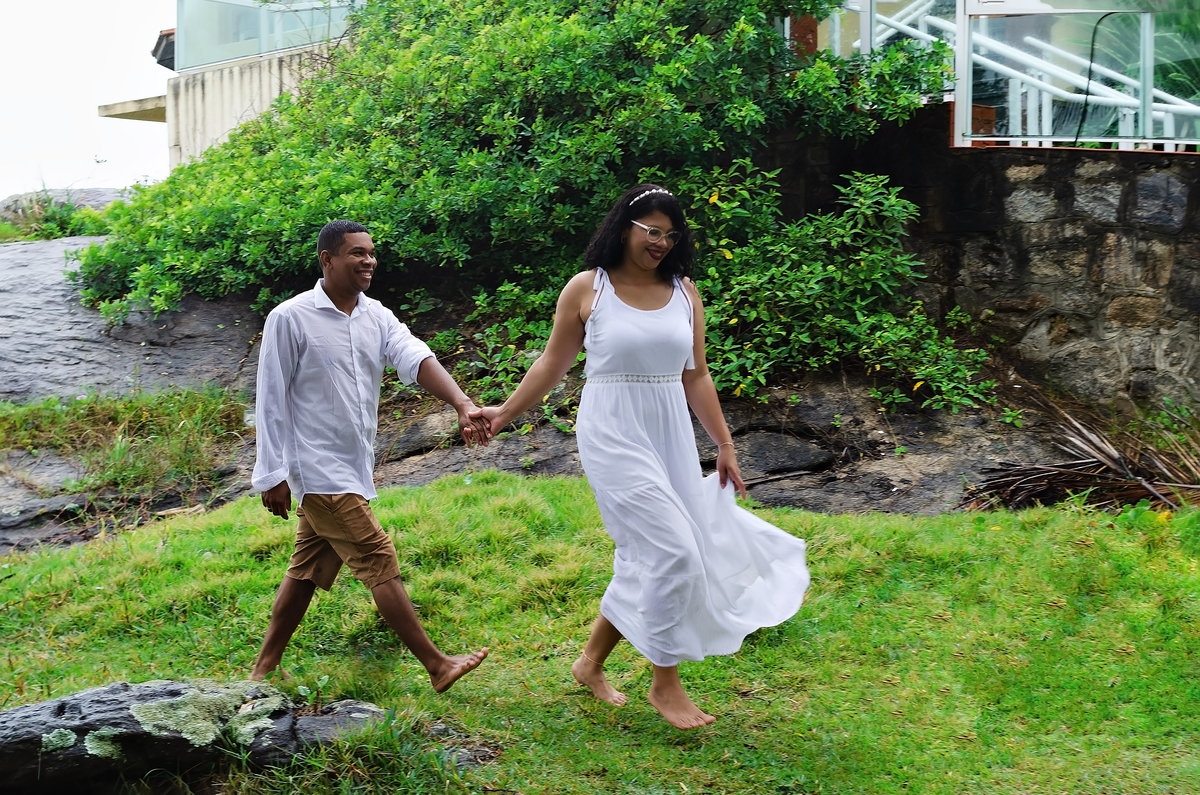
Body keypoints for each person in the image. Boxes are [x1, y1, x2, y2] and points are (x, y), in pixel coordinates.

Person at [471, 185, 810, 729]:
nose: (661, 242)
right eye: (651, 230)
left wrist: (723, 445)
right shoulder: (589, 288)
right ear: (625, 226)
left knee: (647, 553)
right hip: (611, 430)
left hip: (668, 431)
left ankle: (590, 663)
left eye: (670, 235)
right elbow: (552, 365)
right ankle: (665, 681)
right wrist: (503, 413)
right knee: (674, 549)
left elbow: (695, 374)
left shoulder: (685, 292)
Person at [249, 219, 490, 692]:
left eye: (371, 253)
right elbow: (270, 398)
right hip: (316, 468)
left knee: (306, 570)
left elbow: (412, 355)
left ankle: (263, 669)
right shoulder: (290, 317)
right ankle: (437, 665)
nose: (368, 261)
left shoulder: (374, 315)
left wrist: (461, 402)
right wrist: (272, 473)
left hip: (352, 464)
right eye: (357, 253)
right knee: (377, 556)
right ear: (327, 260)